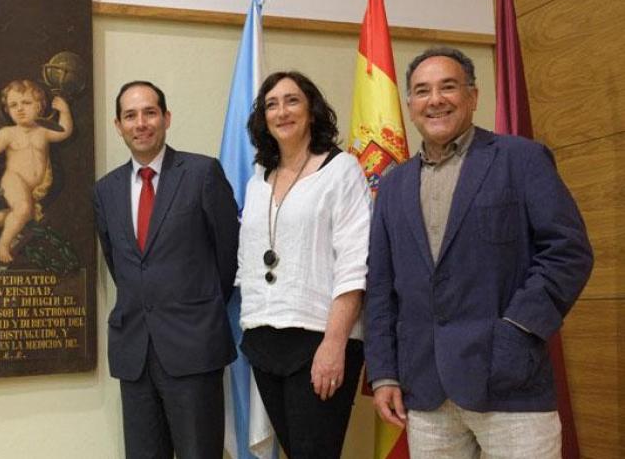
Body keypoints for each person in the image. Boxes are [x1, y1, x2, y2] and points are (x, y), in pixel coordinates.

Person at [365, 47, 593, 458]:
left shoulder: (521, 159)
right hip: (425, 389)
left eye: (447, 87)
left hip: (510, 383)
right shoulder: (393, 186)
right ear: (411, 106)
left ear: (473, 96)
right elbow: (380, 286)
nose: (435, 99)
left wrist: (518, 330)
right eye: (422, 91)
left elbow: (568, 252)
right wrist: (383, 374)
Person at [93, 80, 239, 459]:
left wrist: (197, 308)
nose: (140, 123)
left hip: (193, 348)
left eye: (149, 112)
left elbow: (229, 256)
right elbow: (121, 265)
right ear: (118, 125)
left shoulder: (201, 173)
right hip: (135, 353)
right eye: (130, 115)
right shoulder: (105, 191)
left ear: (166, 118)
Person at [237, 71, 371, 458]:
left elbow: (353, 262)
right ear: (263, 118)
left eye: (292, 100)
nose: (282, 111)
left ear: (311, 109)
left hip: (318, 338)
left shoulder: (341, 170)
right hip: (264, 339)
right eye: (271, 104)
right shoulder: (258, 179)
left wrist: (334, 344)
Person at [0, 79, 73, 263]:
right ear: (7, 110)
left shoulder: (44, 131)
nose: (20, 109)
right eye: (13, 105)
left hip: (35, 187)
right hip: (13, 180)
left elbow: (64, 132)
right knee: (22, 209)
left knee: (24, 214)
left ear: (40, 107)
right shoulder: (8, 133)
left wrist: (65, 111)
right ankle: (4, 244)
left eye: (26, 103)